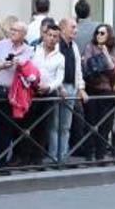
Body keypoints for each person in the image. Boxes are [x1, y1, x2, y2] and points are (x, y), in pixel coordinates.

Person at [0, 21, 33, 165]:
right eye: (11, 29)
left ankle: (3, 160)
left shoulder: (29, 50)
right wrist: (1, 65)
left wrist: (21, 64)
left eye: (16, 30)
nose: (12, 32)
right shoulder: (0, 45)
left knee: (7, 127)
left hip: (14, 93)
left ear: (24, 34)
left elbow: (31, 72)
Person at [50, 18, 87, 163]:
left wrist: (81, 88)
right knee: (55, 124)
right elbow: (52, 68)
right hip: (59, 87)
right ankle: (54, 156)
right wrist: (58, 87)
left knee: (66, 125)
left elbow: (78, 69)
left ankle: (63, 156)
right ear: (63, 28)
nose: (75, 30)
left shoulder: (74, 46)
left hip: (71, 87)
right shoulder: (56, 45)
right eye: (72, 27)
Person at [81, 23, 115, 161]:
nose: (99, 35)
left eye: (102, 33)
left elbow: (112, 70)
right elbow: (88, 66)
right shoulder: (90, 46)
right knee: (90, 123)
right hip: (91, 89)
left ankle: (100, 154)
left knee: (105, 124)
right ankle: (89, 154)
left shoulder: (111, 49)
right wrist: (101, 66)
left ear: (108, 35)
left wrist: (105, 54)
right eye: (97, 33)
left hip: (106, 91)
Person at [31, 24, 65, 165]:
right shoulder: (34, 50)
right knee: (29, 124)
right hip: (31, 93)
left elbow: (59, 78)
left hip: (47, 95)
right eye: (49, 35)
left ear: (58, 39)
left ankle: (38, 158)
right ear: (44, 35)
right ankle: (26, 157)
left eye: (55, 36)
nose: (51, 39)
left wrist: (49, 87)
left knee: (43, 127)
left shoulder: (60, 57)